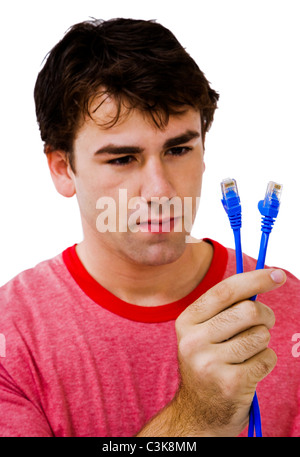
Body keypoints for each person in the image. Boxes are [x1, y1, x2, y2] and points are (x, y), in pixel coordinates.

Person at [0, 18, 299, 438]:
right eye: (122, 159)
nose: (161, 191)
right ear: (62, 168)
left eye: (179, 150)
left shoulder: (286, 308)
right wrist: (199, 415)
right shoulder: (12, 338)